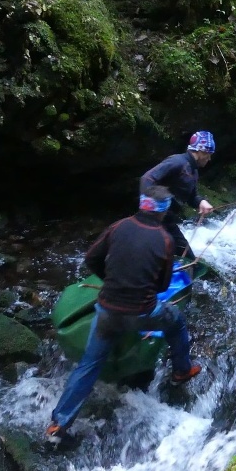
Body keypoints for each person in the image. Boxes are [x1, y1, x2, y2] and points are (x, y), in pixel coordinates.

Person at [44, 186, 202, 447]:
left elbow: (91, 258)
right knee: (176, 321)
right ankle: (181, 371)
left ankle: (59, 422)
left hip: (107, 311)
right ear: (163, 211)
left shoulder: (118, 227)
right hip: (143, 313)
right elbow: (163, 287)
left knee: (89, 364)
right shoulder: (165, 240)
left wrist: (110, 280)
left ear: (142, 205)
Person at [140, 131, 215, 258]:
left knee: (184, 254)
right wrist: (150, 208)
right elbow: (147, 178)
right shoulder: (177, 162)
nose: (209, 158)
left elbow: (192, 196)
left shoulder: (193, 171)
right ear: (201, 151)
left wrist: (200, 202)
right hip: (155, 217)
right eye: (209, 154)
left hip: (168, 219)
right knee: (181, 255)